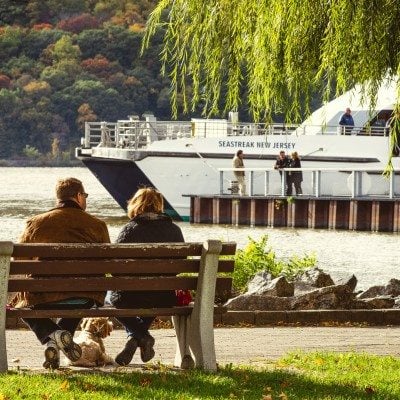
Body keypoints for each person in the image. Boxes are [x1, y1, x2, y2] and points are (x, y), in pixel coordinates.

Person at [10, 177, 110, 369]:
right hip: (86, 296)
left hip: (44, 296)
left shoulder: (35, 223)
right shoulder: (97, 225)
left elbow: (20, 262)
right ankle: (55, 343)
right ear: (79, 196)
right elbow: (106, 264)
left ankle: (52, 336)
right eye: (85, 195)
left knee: (21, 306)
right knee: (75, 301)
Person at [107, 187, 184, 366]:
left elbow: (115, 268)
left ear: (135, 205)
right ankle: (139, 336)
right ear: (159, 205)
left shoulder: (129, 230)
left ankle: (139, 336)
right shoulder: (174, 230)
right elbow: (180, 265)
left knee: (113, 298)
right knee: (153, 298)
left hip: (128, 297)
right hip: (164, 296)